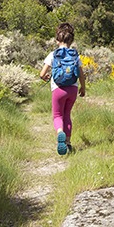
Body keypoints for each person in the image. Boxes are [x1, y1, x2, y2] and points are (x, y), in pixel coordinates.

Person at [40, 22, 86, 155]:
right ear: (71, 40)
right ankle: (68, 143)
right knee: (67, 115)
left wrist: (46, 77)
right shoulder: (75, 55)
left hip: (58, 89)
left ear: (57, 40)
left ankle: (60, 132)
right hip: (72, 89)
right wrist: (83, 88)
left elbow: (42, 74)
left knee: (57, 115)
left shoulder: (53, 54)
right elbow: (81, 74)